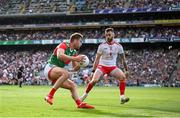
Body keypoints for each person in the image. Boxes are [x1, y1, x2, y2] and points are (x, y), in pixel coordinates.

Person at [44, 33, 94, 108]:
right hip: (50, 68)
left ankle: (79, 103)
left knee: (73, 86)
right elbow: (60, 56)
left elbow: (74, 69)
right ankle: (50, 95)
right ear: (75, 40)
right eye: (80, 41)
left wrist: (80, 65)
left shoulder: (73, 52)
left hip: (57, 73)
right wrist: (75, 58)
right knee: (65, 73)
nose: (81, 44)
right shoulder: (64, 44)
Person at [80, 28, 130, 104]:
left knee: (123, 77)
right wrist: (93, 71)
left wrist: (126, 70)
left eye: (109, 34)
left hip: (112, 67)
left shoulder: (119, 46)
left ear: (113, 35)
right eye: (106, 35)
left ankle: (122, 97)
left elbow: (123, 59)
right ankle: (84, 95)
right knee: (94, 80)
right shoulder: (101, 46)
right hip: (102, 66)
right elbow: (97, 59)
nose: (107, 36)